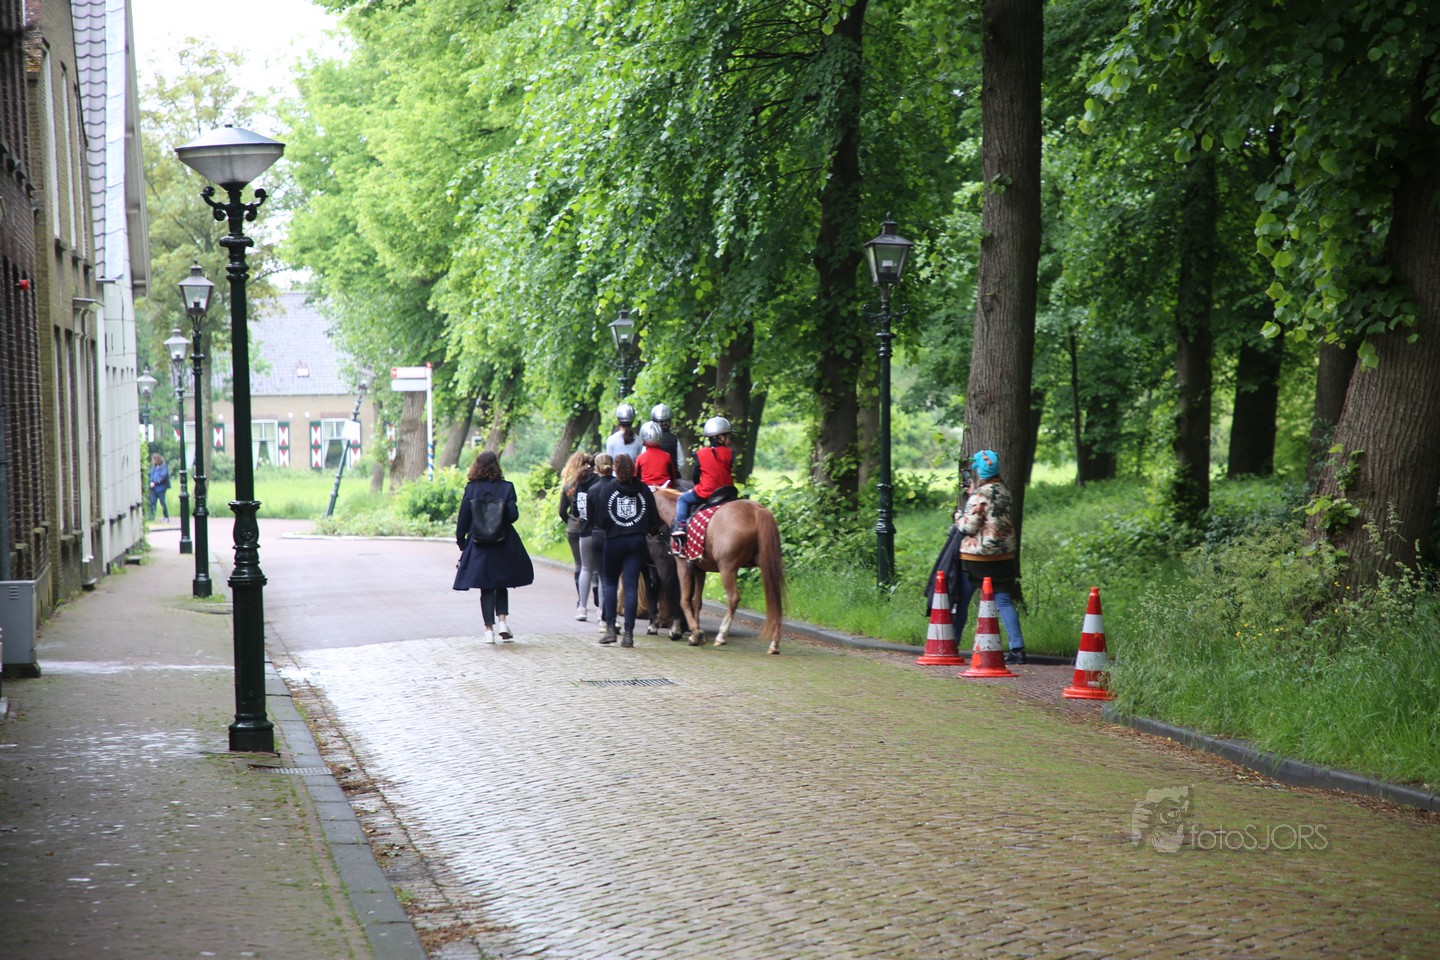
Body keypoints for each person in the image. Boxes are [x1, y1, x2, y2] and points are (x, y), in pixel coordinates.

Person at [453, 450, 535, 644]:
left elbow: (463, 517)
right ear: (496, 466)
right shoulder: (507, 487)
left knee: (486, 587)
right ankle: (503, 622)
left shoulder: (471, 489)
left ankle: (488, 630)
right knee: (501, 582)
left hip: (479, 544)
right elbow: (513, 516)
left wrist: (461, 541)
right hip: (503, 542)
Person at [953, 449, 1026, 664]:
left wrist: (958, 516)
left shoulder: (979, 496)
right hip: (1003, 556)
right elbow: (991, 506)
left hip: (977, 558)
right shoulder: (1004, 491)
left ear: (980, 472)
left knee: (962, 600)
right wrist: (973, 493)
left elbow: (969, 527)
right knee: (1003, 601)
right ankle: (1017, 649)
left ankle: (952, 643)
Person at [587, 453, 660, 647]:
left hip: (614, 541)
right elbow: (654, 518)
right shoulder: (643, 489)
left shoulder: (608, 489)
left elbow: (600, 521)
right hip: (637, 542)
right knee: (630, 587)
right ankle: (629, 634)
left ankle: (611, 629)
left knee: (610, 583)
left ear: (616, 469)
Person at [670, 416, 735, 548]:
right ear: (719, 437)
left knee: (682, 499)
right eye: (727, 435)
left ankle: (680, 526)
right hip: (728, 491)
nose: (729, 438)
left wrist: (698, 485)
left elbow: (695, 476)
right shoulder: (730, 453)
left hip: (708, 492)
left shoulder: (700, 454)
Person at [577, 453, 613, 631]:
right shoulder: (611, 485)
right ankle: (601, 612)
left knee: (585, 568)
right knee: (603, 574)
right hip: (604, 533)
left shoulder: (581, 484)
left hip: (585, 531)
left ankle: (582, 608)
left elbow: (577, 510)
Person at [558, 451, 594, 619]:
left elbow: (561, 511)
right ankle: (597, 599)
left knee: (580, 565)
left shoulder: (568, 486)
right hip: (591, 528)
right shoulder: (592, 483)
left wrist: (571, 521)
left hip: (573, 528)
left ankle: (581, 601)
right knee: (594, 567)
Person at [636, 421, 679, 488]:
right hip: (664, 488)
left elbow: (636, 477)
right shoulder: (667, 456)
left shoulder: (640, 458)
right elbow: (673, 477)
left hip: (646, 489)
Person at [648, 403, 687, 477]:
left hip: (652, 476)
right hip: (671, 477)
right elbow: (681, 462)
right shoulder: (674, 439)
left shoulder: (649, 439)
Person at [147, 453, 171, 520]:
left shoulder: (163, 467)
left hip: (161, 488)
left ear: (156, 459)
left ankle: (166, 516)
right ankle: (152, 516)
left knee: (162, 502)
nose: (152, 461)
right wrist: (151, 481)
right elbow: (151, 474)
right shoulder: (154, 467)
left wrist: (155, 483)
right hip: (153, 489)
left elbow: (163, 476)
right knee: (153, 502)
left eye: (153, 459)